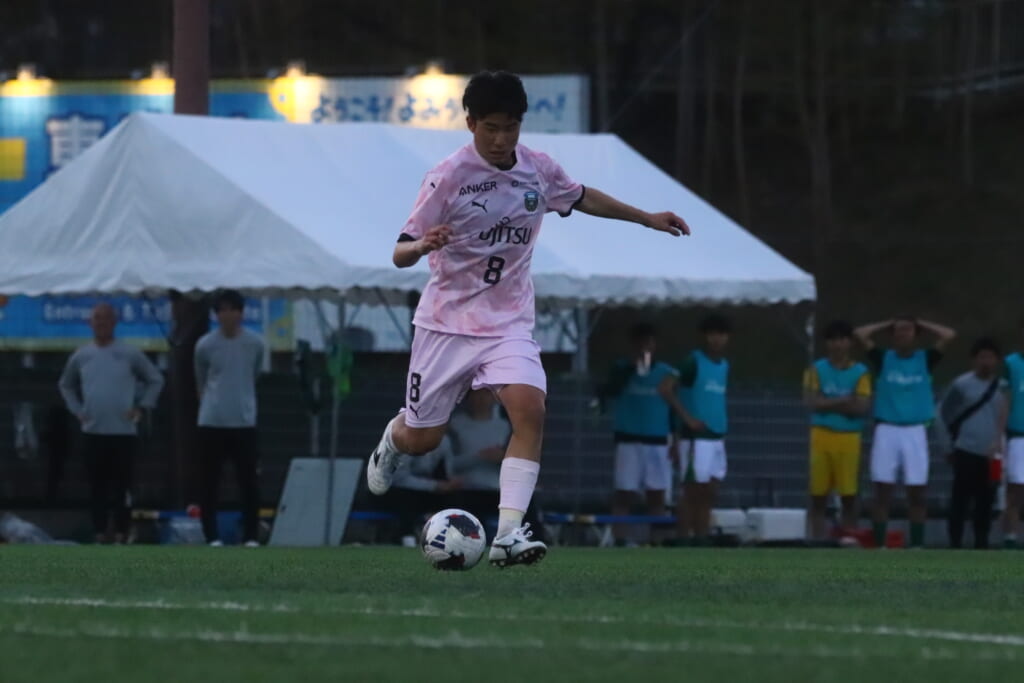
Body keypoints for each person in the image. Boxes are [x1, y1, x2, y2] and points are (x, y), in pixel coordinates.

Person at [364, 70, 689, 567]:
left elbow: (582, 196)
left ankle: (508, 535)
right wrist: (423, 244)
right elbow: (399, 253)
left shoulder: (538, 170)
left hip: (508, 324)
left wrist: (646, 217)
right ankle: (393, 438)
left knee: (530, 409)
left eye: (510, 127)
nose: (501, 139)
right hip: (446, 326)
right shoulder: (447, 177)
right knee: (423, 439)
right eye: (491, 128)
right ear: (471, 124)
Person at [58, 302, 164, 543]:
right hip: (93, 430)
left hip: (123, 431)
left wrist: (142, 406)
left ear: (115, 322)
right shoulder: (82, 355)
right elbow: (66, 384)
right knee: (97, 485)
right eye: (97, 318)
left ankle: (121, 532)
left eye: (106, 318)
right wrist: (77, 410)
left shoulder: (129, 353)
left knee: (122, 486)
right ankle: (99, 532)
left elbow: (155, 379)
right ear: (90, 323)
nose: (102, 323)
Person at [855, 316, 956, 548]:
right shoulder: (883, 358)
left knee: (917, 491)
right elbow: (861, 333)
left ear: (916, 335)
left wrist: (921, 323)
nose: (903, 334)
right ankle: (879, 544)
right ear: (892, 335)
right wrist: (887, 322)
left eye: (908, 330)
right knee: (882, 490)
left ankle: (917, 545)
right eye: (899, 330)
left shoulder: (925, 359)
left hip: (915, 430)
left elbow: (949, 335)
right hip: (887, 429)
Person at [194, 289, 266, 547]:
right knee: (209, 482)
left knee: (248, 482)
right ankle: (211, 536)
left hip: (244, 422)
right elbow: (200, 379)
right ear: (216, 315)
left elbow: (256, 374)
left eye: (232, 309)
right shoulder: (205, 345)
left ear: (241, 313)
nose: (228, 314)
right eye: (222, 310)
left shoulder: (255, 343)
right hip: (211, 422)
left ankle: (250, 536)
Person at [603, 323, 677, 546]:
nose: (645, 347)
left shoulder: (667, 373)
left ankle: (657, 540)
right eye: (641, 343)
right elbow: (610, 391)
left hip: (657, 441)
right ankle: (620, 539)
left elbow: (674, 408)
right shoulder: (621, 369)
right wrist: (630, 370)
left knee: (657, 494)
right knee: (624, 492)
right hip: (628, 439)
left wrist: (675, 438)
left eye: (649, 342)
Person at [662, 314, 732, 543]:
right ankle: (684, 539)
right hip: (696, 437)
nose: (716, 339)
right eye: (712, 334)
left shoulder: (724, 366)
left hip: (717, 436)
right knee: (692, 491)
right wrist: (687, 419)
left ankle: (702, 539)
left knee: (710, 492)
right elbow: (665, 388)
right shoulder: (692, 362)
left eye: (721, 334)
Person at [803, 320, 871, 539]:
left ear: (849, 342)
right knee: (818, 495)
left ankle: (848, 538)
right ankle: (817, 540)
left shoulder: (860, 372)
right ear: (827, 343)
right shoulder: (816, 370)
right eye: (833, 340)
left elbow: (861, 407)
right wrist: (843, 400)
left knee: (849, 495)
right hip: (821, 436)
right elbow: (811, 402)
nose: (837, 344)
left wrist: (827, 402)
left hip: (849, 438)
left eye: (842, 339)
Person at [939, 338, 1006, 549]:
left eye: (990, 357)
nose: (985, 362)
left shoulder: (1003, 387)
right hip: (966, 449)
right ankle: (955, 543)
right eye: (981, 357)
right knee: (960, 499)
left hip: (993, 454)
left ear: (997, 361)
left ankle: (981, 544)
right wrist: (948, 445)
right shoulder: (961, 385)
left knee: (987, 499)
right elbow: (943, 413)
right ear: (974, 360)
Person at [382, 435, 461, 546]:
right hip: (389, 489)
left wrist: (451, 482)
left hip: (424, 489)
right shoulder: (404, 439)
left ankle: (453, 537)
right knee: (407, 497)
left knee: (455, 496)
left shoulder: (444, 440)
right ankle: (407, 537)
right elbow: (399, 478)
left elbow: (449, 470)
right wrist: (435, 485)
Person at [1002, 324, 1024, 548]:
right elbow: (1005, 401)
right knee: (1016, 490)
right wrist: (998, 435)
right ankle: (1010, 537)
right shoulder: (1011, 363)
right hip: (1019, 436)